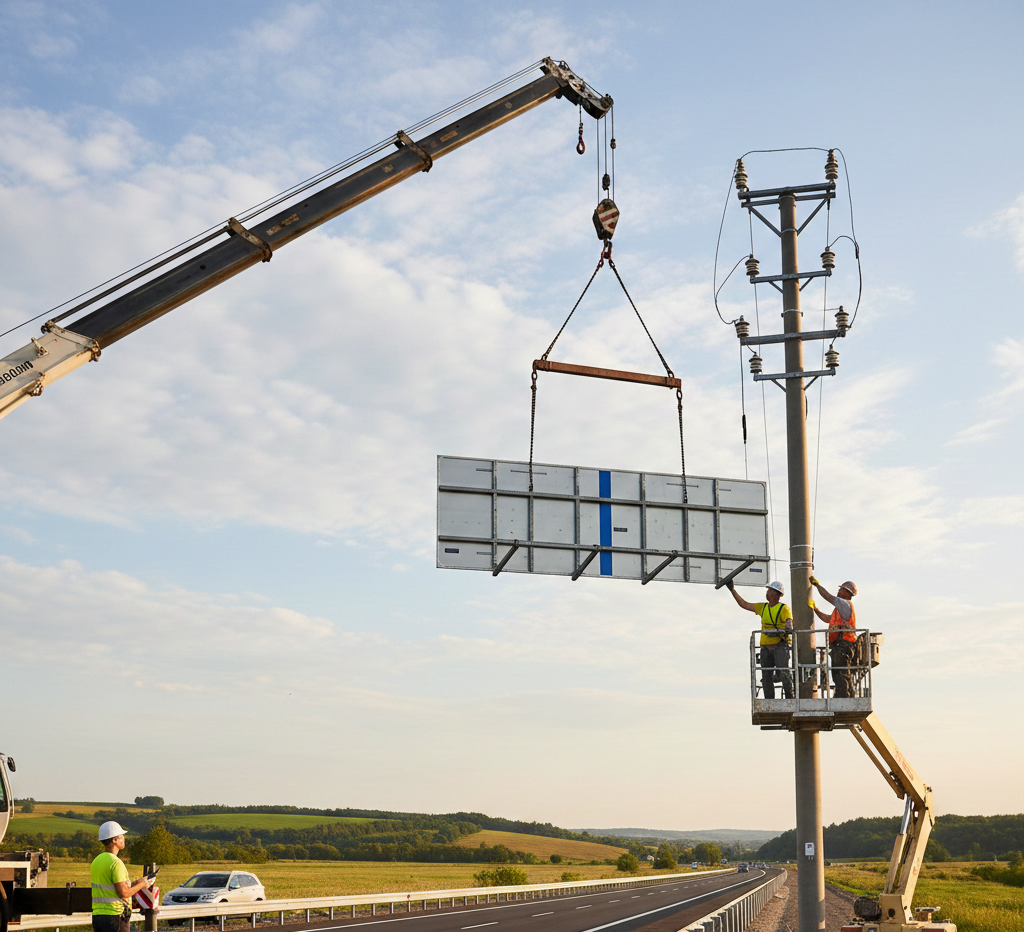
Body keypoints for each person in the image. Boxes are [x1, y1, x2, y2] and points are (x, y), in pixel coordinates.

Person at [726, 578, 793, 699]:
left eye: (771, 591)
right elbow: (744, 604)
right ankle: (770, 700)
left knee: (784, 673)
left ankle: (790, 697)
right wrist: (732, 590)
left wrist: (788, 627)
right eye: (768, 591)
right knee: (766, 676)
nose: (767, 593)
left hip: (780, 646)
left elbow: (789, 623)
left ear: (778, 595)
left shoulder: (784, 609)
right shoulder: (763, 607)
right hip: (766, 648)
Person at [91, 821, 152, 932]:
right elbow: (123, 893)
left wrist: (134, 883)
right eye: (121, 836)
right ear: (114, 840)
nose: (124, 838)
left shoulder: (96, 861)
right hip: (115, 916)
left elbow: (110, 886)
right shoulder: (116, 863)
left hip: (98, 916)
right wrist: (143, 884)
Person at [810, 577, 858, 698]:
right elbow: (828, 619)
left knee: (841, 672)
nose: (839, 591)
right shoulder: (840, 609)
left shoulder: (845, 604)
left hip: (845, 644)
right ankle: (844, 695)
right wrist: (816, 610)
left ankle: (844, 696)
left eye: (841, 589)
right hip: (839, 645)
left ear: (848, 593)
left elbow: (827, 596)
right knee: (838, 672)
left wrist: (817, 585)